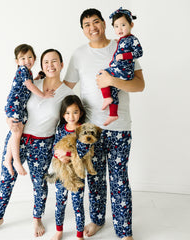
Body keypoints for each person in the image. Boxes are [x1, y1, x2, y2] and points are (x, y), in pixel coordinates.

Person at [62, 8, 145, 240]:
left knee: (119, 179)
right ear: (83, 29)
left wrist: (112, 80)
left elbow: (139, 85)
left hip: (119, 126)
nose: (92, 27)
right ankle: (97, 219)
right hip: (91, 130)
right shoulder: (79, 54)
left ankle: (124, 230)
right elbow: (65, 89)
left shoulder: (122, 46)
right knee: (95, 177)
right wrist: (39, 87)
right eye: (87, 24)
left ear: (104, 24)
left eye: (96, 22)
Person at [0, 49, 74, 238]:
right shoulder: (33, 83)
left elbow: (68, 124)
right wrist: (8, 119)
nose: (50, 65)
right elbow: (14, 101)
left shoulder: (67, 94)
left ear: (61, 65)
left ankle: (37, 217)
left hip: (43, 144)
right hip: (19, 138)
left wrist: (64, 150)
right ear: (41, 65)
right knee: (7, 176)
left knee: (39, 183)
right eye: (46, 62)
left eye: (54, 61)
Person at [4, 44, 54, 177]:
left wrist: (37, 78)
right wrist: (43, 95)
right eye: (22, 58)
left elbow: (28, 84)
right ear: (17, 62)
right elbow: (29, 85)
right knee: (17, 132)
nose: (27, 61)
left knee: (16, 131)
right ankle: (15, 161)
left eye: (30, 57)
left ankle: (7, 160)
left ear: (35, 58)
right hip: (15, 105)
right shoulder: (22, 70)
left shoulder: (27, 72)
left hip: (19, 106)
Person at [50, 95, 87, 240]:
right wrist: (60, 156)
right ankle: (59, 230)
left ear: (81, 113)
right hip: (61, 173)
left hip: (77, 173)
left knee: (78, 204)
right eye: (67, 113)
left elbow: (83, 151)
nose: (71, 116)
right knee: (60, 202)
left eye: (75, 112)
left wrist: (68, 154)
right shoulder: (60, 129)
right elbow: (55, 147)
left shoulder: (83, 130)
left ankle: (79, 235)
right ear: (62, 114)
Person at [101, 7, 143, 126]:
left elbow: (139, 52)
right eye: (116, 26)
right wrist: (119, 42)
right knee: (113, 90)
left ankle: (106, 98)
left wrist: (124, 56)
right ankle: (113, 114)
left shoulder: (132, 39)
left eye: (123, 25)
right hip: (121, 70)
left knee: (102, 74)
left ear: (131, 24)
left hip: (124, 71)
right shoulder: (122, 39)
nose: (120, 29)